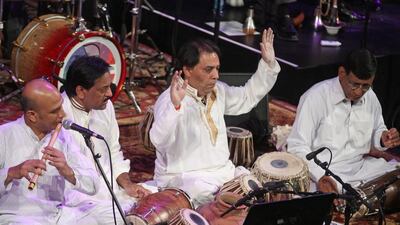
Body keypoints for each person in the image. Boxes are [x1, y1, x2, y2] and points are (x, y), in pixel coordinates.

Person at [149, 28, 281, 208]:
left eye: (217, 68)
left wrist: (268, 63)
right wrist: (176, 107)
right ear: (187, 70)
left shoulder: (218, 91)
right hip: (185, 178)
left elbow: (247, 97)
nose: (216, 75)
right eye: (208, 69)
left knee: (256, 189)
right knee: (209, 200)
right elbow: (158, 140)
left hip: (222, 172)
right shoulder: (170, 100)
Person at [287, 49, 400, 200]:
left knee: (395, 176)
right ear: (342, 73)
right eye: (355, 85)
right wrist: (321, 177)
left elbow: (378, 129)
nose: (360, 92)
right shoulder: (316, 97)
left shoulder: (370, 96)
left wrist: (383, 138)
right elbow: (297, 146)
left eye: (366, 86)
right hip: (326, 172)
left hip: (360, 168)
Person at [61, 56, 152, 224]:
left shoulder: (105, 107)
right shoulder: (58, 114)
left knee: (158, 200)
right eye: (103, 89)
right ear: (81, 91)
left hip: (110, 190)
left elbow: (113, 151)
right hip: (78, 199)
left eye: (109, 87)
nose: (110, 94)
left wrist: (128, 185)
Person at [0, 79, 98, 224]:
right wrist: (12, 173)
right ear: (32, 115)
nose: (63, 115)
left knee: (111, 215)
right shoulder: (4, 135)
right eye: (55, 111)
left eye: (61, 107)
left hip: (58, 214)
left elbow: (93, 185)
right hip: (18, 217)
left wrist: (68, 171)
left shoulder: (63, 135)